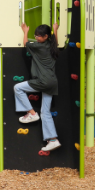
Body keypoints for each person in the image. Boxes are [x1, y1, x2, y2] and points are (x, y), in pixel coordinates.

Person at [15, 21, 60, 152]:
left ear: (46, 36)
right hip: (52, 82)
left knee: (18, 88)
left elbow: (25, 43)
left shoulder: (38, 47)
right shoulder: (51, 46)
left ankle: (32, 113)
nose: (36, 38)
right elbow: (55, 40)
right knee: (46, 112)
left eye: (39, 36)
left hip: (43, 81)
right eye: (35, 35)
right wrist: (55, 29)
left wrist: (25, 32)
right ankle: (53, 140)